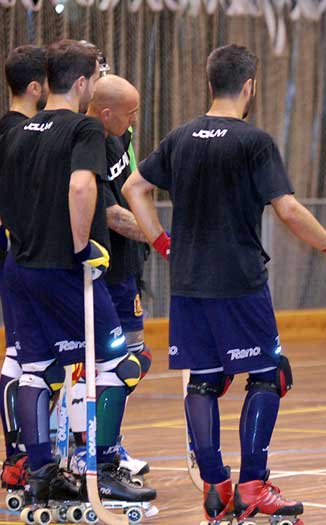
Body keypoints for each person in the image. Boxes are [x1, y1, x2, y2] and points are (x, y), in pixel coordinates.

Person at [123, 43, 326, 525]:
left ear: (210, 82)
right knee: (270, 375)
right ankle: (252, 486)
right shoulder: (253, 141)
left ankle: (215, 489)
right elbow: (288, 208)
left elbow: (133, 188)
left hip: (188, 283)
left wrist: (163, 241)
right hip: (239, 282)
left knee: (204, 384)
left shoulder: (181, 136)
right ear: (249, 86)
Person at [0, 39, 156, 509]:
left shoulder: (17, 132)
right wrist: (79, 244)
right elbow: (82, 184)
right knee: (119, 364)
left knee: (35, 371)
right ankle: (102, 466)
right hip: (63, 269)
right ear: (84, 81)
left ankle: (41, 473)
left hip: (18, 267)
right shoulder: (83, 130)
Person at [69, 74, 153, 482]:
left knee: (135, 360)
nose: (135, 118)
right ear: (105, 112)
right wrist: (164, 237)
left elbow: (131, 190)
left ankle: (101, 436)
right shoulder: (88, 144)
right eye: (130, 112)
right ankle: (91, 447)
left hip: (129, 270)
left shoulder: (122, 136)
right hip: (105, 271)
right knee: (112, 367)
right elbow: (109, 214)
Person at [0, 44, 49, 491]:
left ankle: (24, 453)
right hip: (18, 252)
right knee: (19, 356)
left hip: (16, 252)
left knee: (24, 355)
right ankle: (17, 455)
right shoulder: (21, 133)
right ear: (36, 87)